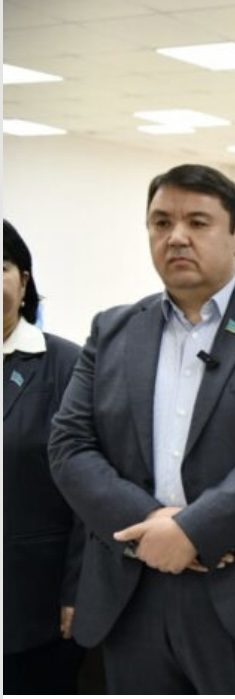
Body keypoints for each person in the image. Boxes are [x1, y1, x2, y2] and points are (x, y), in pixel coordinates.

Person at [48, 164, 235, 694]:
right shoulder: (112, 329)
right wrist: (150, 527)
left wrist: (193, 530)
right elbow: (69, 446)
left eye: (197, 222)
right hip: (133, 586)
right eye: (161, 223)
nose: (176, 237)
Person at [4, 220, 86, 693]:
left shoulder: (67, 365)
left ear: (23, 281)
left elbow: (87, 492)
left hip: (33, 607)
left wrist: (77, 590)